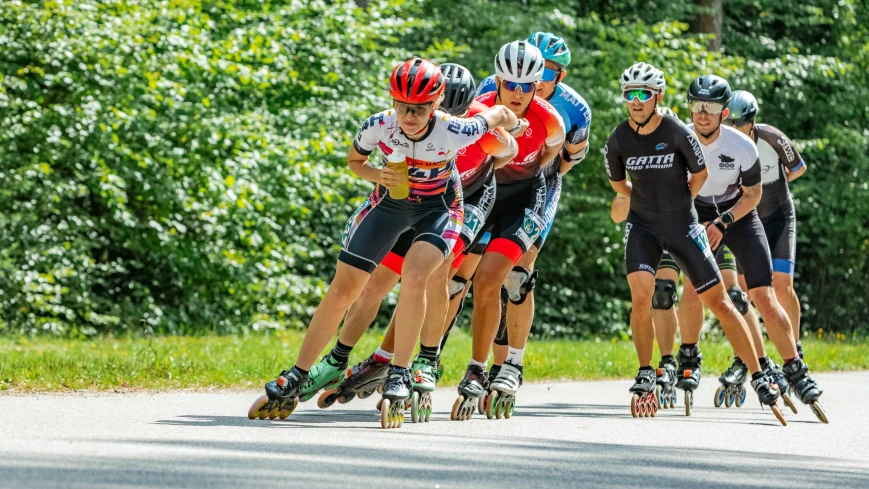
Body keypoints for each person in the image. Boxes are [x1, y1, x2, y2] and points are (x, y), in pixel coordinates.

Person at [247, 57, 523, 424]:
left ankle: (401, 370)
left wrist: (515, 124)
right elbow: (354, 161)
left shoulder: (456, 129)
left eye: (421, 108)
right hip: (390, 204)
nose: (410, 116)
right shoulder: (377, 125)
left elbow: (499, 113)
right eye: (403, 106)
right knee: (343, 289)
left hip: (439, 208)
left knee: (416, 276)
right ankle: (299, 371)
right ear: (392, 101)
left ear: (437, 102)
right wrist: (377, 173)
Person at [604, 62, 782, 420]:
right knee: (644, 296)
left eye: (644, 95)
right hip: (643, 226)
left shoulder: (677, 131)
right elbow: (618, 186)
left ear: (658, 97)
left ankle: (760, 374)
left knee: (721, 303)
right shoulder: (618, 138)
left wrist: (680, 201)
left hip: (683, 225)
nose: (636, 101)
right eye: (630, 95)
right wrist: (640, 200)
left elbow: (700, 174)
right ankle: (645, 371)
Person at [676, 78, 824, 420]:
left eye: (710, 109)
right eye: (697, 106)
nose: (702, 114)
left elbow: (754, 196)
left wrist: (723, 222)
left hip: (738, 216)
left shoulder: (744, 145)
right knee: (691, 287)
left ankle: (795, 369)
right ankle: (689, 357)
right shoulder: (678, 138)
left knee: (764, 295)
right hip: (697, 214)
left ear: (723, 113)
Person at [451, 40, 566, 420]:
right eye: (510, 84)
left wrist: (527, 180)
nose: (518, 94)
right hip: (486, 193)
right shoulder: (480, 107)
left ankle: (511, 364)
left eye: (527, 86)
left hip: (526, 197)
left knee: (501, 281)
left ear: (538, 86)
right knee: (454, 279)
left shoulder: (551, 119)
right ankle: (474, 368)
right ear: (497, 80)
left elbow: (549, 158)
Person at [474, 32, 592, 405]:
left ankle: (513, 364)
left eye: (549, 72)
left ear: (561, 75)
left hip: (540, 183)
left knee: (517, 276)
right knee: (472, 276)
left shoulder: (574, 110)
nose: (535, 81)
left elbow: (566, 161)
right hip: (492, 180)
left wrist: (533, 174)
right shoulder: (491, 88)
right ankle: (486, 364)